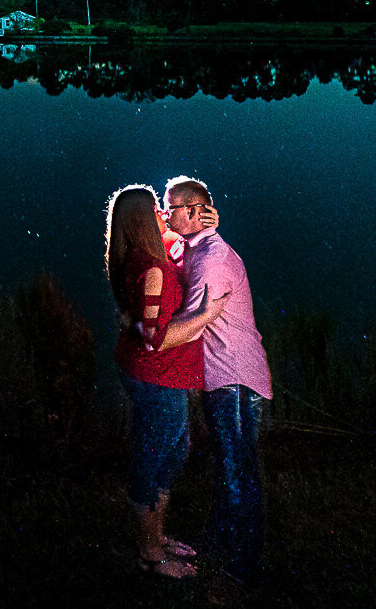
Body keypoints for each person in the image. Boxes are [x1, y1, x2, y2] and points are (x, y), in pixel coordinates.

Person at [105, 184, 229, 580]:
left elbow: (180, 238)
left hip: (159, 376)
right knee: (153, 459)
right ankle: (150, 555)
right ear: (144, 220)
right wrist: (206, 316)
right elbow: (154, 340)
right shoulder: (152, 268)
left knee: (173, 452)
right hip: (157, 377)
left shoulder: (143, 257)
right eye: (158, 209)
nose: (164, 212)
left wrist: (206, 220)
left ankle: (156, 537)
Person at [165, 176, 271, 599]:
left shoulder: (212, 259)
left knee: (237, 475)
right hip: (225, 378)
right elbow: (167, 247)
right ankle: (221, 546)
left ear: (192, 211)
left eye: (171, 207)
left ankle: (241, 573)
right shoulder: (197, 248)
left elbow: (190, 328)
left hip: (236, 382)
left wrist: (144, 336)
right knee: (231, 470)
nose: (165, 212)